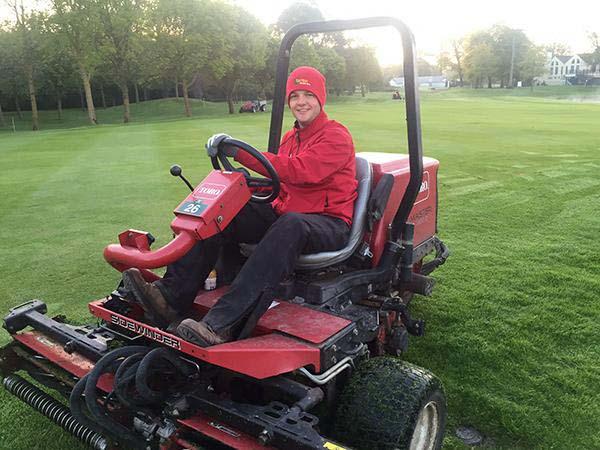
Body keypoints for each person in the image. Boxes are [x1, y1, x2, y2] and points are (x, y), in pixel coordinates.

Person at [122, 66, 357, 347]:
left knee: (290, 225)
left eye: (308, 95)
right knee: (224, 209)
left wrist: (241, 154)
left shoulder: (336, 136)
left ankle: (221, 325)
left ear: (321, 99)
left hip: (329, 222)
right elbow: (278, 181)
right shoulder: (290, 138)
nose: (301, 102)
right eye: (295, 96)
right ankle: (169, 297)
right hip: (288, 213)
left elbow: (301, 171)